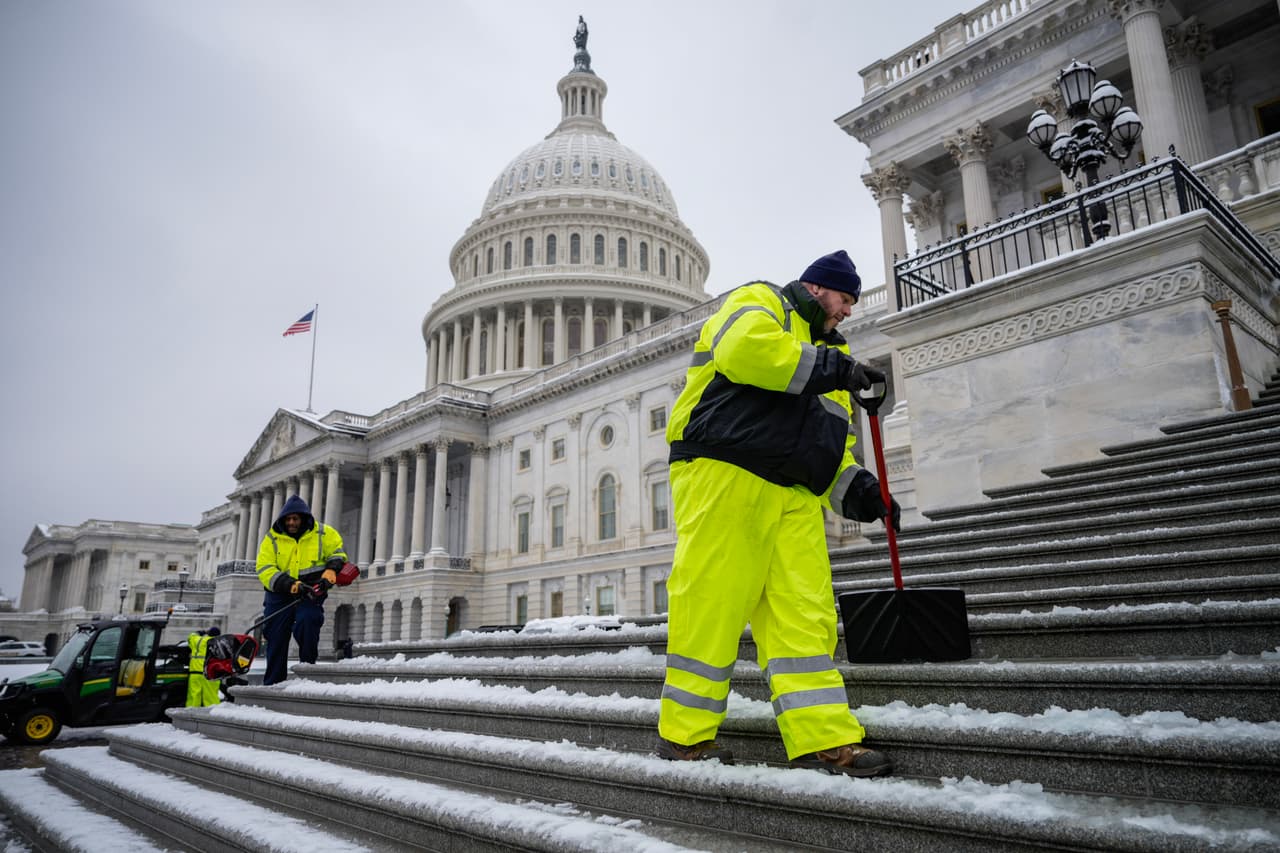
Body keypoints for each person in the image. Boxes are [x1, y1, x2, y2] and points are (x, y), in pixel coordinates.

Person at [657, 249, 900, 777]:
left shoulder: (834, 354)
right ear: (817, 288)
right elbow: (746, 351)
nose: (850, 311)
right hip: (727, 470)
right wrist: (836, 368)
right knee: (712, 605)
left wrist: (862, 490)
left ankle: (824, 738)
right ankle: (683, 737)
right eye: (845, 299)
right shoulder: (761, 300)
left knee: (806, 618)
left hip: (795, 493)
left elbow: (830, 444)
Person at [256, 494, 347, 685]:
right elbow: (265, 569)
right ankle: (273, 681)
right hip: (279, 594)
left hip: (311, 590)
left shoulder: (324, 533)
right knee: (276, 634)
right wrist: (290, 584)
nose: (291, 523)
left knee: (309, 621)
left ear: (303, 518)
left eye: (295, 519)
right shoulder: (272, 539)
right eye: (288, 519)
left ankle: (307, 672)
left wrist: (331, 570)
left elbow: (337, 552)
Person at [185, 625, 221, 707]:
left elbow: (191, 636)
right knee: (211, 697)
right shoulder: (217, 643)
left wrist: (201, 632)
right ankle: (211, 715)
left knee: (194, 696)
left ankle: (190, 715)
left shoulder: (198, 640)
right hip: (210, 674)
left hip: (195, 673)